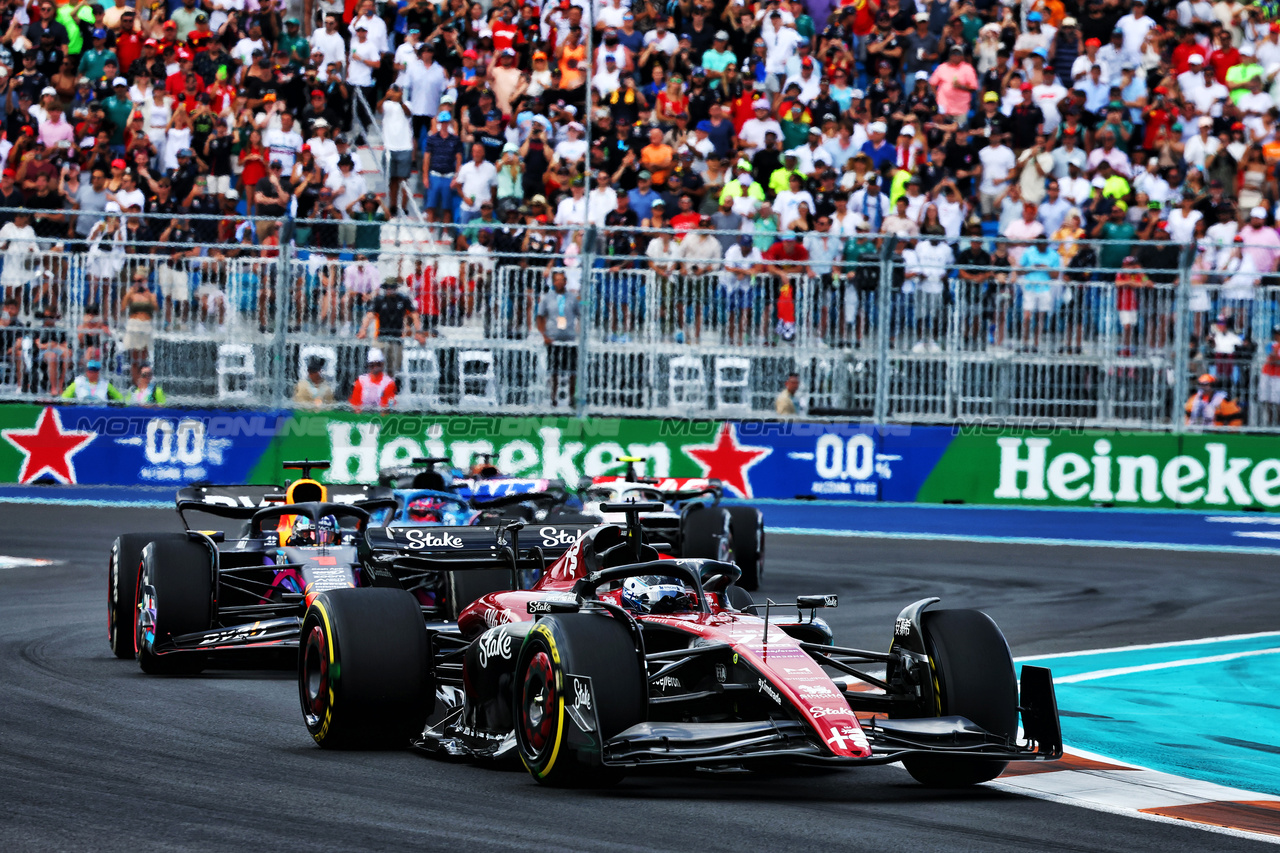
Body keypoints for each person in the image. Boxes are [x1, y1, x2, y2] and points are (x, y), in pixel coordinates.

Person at [356, 279, 423, 378]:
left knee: (393, 370)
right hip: (380, 338)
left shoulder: (403, 299)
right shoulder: (379, 300)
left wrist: (418, 332)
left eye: (391, 287)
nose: (389, 290)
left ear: (396, 288)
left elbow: (415, 315)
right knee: (376, 365)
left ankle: (389, 389)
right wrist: (363, 330)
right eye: (387, 287)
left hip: (397, 339)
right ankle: (375, 387)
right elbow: (369, 316)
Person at [535, 270, 578, 407]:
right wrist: (544, 335)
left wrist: (579, 333)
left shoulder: (572, 298)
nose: (559, 282)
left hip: (570, 340)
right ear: (553, 282)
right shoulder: (547, 298)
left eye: (562, 280)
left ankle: (572, 399)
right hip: (553, 340)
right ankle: (553, 398)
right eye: (557, 280)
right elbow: (540, 317)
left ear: (566, 282)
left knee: (572, 371)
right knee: (554, 371)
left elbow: (580, 315)